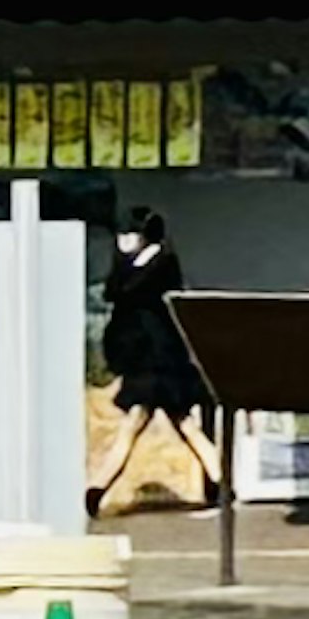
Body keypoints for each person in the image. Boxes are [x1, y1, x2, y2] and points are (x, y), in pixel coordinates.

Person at [88, 208, 212, 510]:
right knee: (182, 426)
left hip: (160, 361)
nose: (125, 240)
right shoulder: (134, 264)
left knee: (152, 424)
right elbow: (111, 292)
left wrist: (123, 263)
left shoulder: (162, 263)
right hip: (146, 362)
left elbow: (125, 291)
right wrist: (121, 260)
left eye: (132, 234)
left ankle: (96, 490)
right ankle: (96, 489)